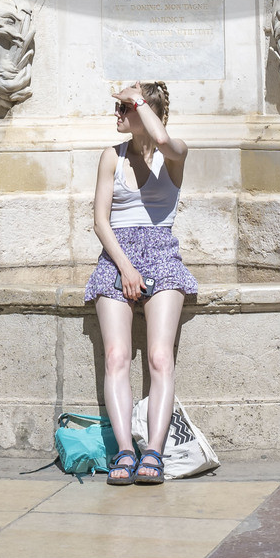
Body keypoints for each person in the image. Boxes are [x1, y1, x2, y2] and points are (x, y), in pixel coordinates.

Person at [85, 81, 197, 486]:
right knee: (117, 357)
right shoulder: (110, 158)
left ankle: (154, 450)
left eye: (125, 108)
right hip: (118, 258)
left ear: (144, 111)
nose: (117, 115)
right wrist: (126, 268)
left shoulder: (175, 154)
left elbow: (163, 138)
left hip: (162, 255)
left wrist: (139, 102)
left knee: (158, 359)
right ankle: (126, 451)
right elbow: (100, 221)